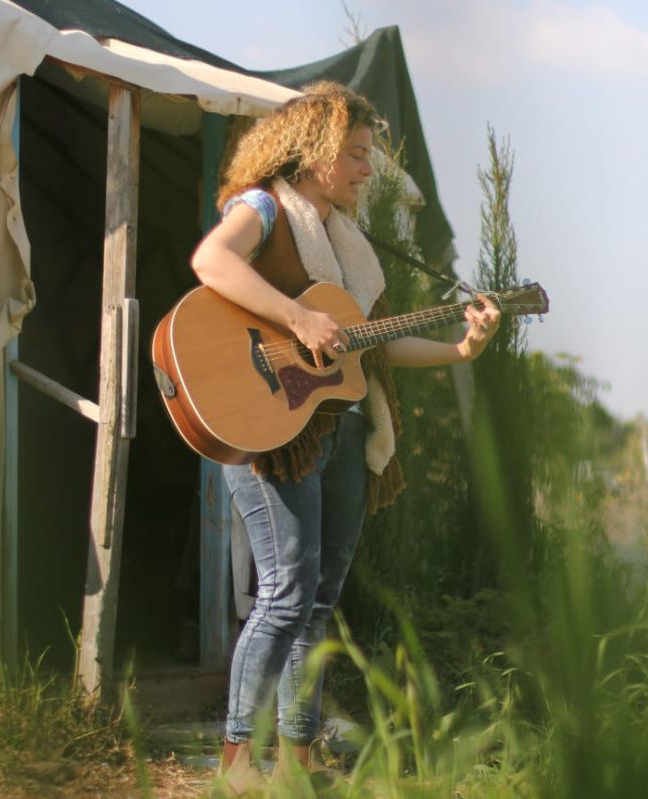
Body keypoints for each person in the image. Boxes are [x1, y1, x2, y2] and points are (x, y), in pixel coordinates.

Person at [190, 81, 500, 795]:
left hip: (346, 425)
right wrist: (297, 321)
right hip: (276, 427)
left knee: (320, 599)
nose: (367, 169)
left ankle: (297, 756)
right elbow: (211, 262)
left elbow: (374, 347)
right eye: (356, 154)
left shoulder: (352, 246)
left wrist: (461, 348)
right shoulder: (264, 207)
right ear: (314, 150)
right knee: (286, 591)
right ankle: (237, 760)